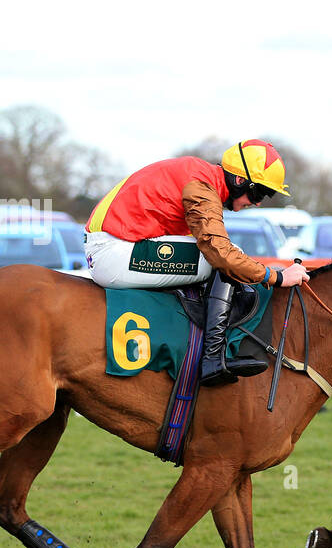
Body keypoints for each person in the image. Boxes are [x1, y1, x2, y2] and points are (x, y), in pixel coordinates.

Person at [85, 140, 309, 386]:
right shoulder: (201, 187)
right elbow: (220, 254)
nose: (257, 202)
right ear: (238, 180)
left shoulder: (200, 177)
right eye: (259, 193)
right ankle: (213, 358)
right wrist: (276, 277)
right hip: (114, 251)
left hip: (119, 244)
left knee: (227, 255)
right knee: (222, 259)